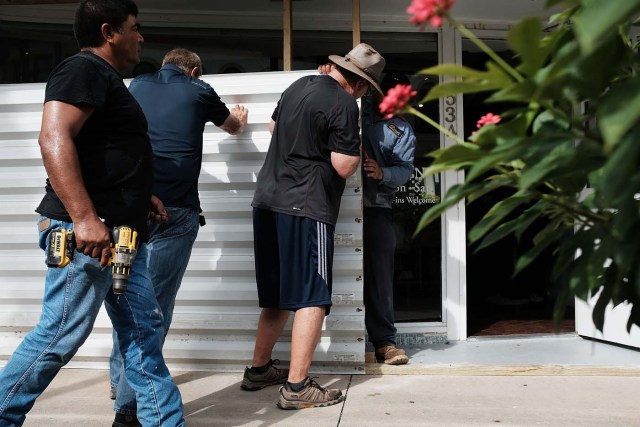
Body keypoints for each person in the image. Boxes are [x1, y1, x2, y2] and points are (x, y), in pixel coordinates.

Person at [0, 1, 185, 427]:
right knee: (60, 335)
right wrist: (84, 218)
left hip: (121, 234)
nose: (141, 38)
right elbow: (53, 137)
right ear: (109, 32)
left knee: (143, 334)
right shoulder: (81, 70)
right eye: (134, 28)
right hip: (86, 235)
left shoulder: (106, 79)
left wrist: (142, 197)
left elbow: (104, 151)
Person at [245, 43, 385, 410]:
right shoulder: (342, 102)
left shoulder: (300, 85)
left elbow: (275, 126)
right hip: (306, 206)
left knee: (276, 294)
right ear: (362, 84)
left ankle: (258, 369)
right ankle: (296, 387)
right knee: (313, 296)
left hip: (267, 200)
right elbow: (342, 165)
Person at [108, 48, 248, 415]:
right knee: (152, 311)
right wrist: (239, 118)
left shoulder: (136, 85)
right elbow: (231, 126)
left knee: (128, 296)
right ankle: (130, 407)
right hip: (175, 213)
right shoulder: (199, 90)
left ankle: (117, 378)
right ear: (195, 70)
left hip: (130, 209)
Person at [361, 72, 416, 365]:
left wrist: (383, 174)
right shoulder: (351, 102)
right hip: (329, 206)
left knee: (379, 278)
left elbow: (405, 170)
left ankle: (384, 343)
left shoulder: (401, 130)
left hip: (376, 208)